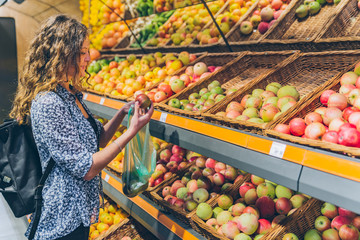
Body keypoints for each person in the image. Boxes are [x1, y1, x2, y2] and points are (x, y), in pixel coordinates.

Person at [9, 14, 154, 240]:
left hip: (81, 212)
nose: (88, 58)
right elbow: (87, 169)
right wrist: (131, 132)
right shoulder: (48, 103)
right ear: (63, 54)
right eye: (83, 52)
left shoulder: (69, 94)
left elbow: (97, 140)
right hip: (62, 219)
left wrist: (122, 114)